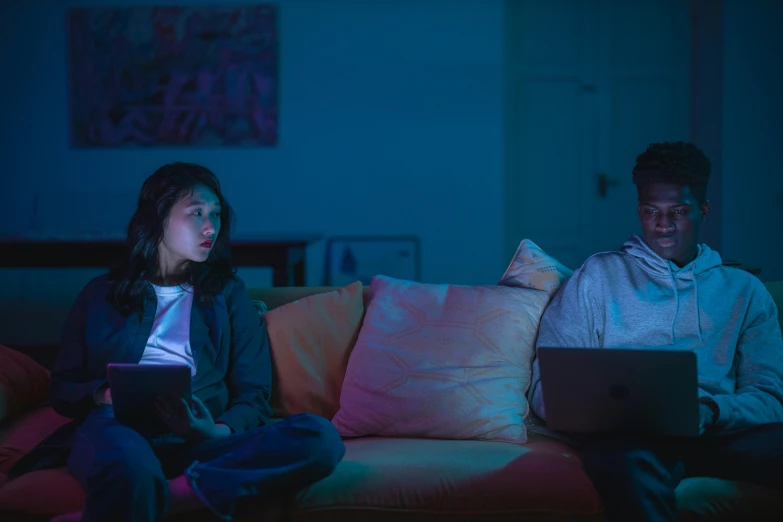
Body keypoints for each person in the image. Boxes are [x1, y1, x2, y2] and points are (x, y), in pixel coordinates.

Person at [18, 163, 346, 522]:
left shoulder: (228, 294)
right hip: (118, 429)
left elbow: (254, 393)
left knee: (319, 437)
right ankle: (157, 491)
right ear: (159, 218)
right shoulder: (101, 294)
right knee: (132, 471)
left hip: (199, 439)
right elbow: (63, 388)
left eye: (216, 214)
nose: (211, 227)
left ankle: (173, 497)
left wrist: (216, 430)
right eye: (196, 214)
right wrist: (104, 395)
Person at [528, 142, 783, 521]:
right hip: (629, 440)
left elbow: (770, 396)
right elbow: (545, 385)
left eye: (678, 212)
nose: (663, 225)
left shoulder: (744, 291)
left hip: (719, 433)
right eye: (651, 212)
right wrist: (597, 415)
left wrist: (712, 410)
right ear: (639, 211)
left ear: (703, 211)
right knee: (623, 460)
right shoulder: (596, 278)